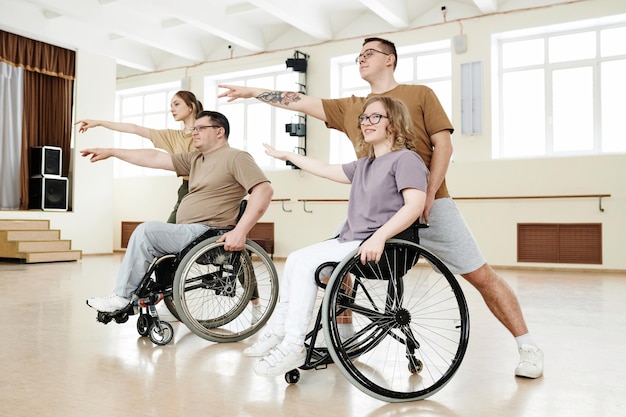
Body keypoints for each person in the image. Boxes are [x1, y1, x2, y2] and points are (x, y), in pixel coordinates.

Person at [218, 37, 544, 379]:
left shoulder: (419, 95)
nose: (361, 58)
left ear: (390, 60)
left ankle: (527, 346)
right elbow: (298, 100)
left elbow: (443, 146)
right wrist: (253, 92)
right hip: (374, 210)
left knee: (481, 276)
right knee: (333, 267)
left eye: (369, 53)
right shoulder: (351, 106)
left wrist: (429, 193)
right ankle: (340, 339)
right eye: (358, 55)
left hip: (429, 203)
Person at [245, 96, 428, 377]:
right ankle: (279, 328)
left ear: (395, 122)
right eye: (364, 118)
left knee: (306, 265)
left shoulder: (406, 160)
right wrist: (289, 156)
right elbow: (325, 169)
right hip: (353, 242)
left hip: (386, 247)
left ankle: (294, 344)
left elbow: (414, 206)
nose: (366, 123)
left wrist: (379, 237)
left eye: (375, 117)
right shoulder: (365, 164)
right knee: (295, 258)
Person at [80, 110, 273, 314]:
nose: (194, 133)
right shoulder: (196, 159)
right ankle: (144, 299)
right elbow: (154, 157)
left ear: (219, 131)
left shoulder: (236, 157)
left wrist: (240, 231)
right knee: (155, 239)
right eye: (193, 129)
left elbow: (264, 189)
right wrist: (112, 152)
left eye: (200, 128)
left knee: (146, 232)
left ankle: (122, 297)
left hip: (208, 232)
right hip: (191, 231)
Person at [76, 90, 203, 223]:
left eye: (176, 104)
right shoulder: (172, 136)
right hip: (186, 188)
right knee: (169, 232)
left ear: (191, 106)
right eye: (171, 106)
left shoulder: (207, 130)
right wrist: (99, 123)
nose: (172, 109)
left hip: (209, 187)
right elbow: (134, 128)